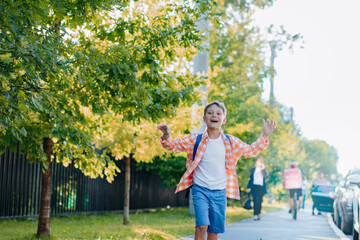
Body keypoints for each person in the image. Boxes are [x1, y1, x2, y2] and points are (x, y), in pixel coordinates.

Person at [158, 101, 276, 240]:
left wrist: (265, 136)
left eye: (218, 113)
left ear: (223, 120)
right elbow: (172, 145)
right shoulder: (195, 139)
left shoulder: (230, 141)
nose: (214, 115)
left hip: (220, 191)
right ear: (204, 118)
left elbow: (250, 150)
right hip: (200, 189)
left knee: (214, 231)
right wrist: (166, 135)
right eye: (210, 113)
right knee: (201, 226)